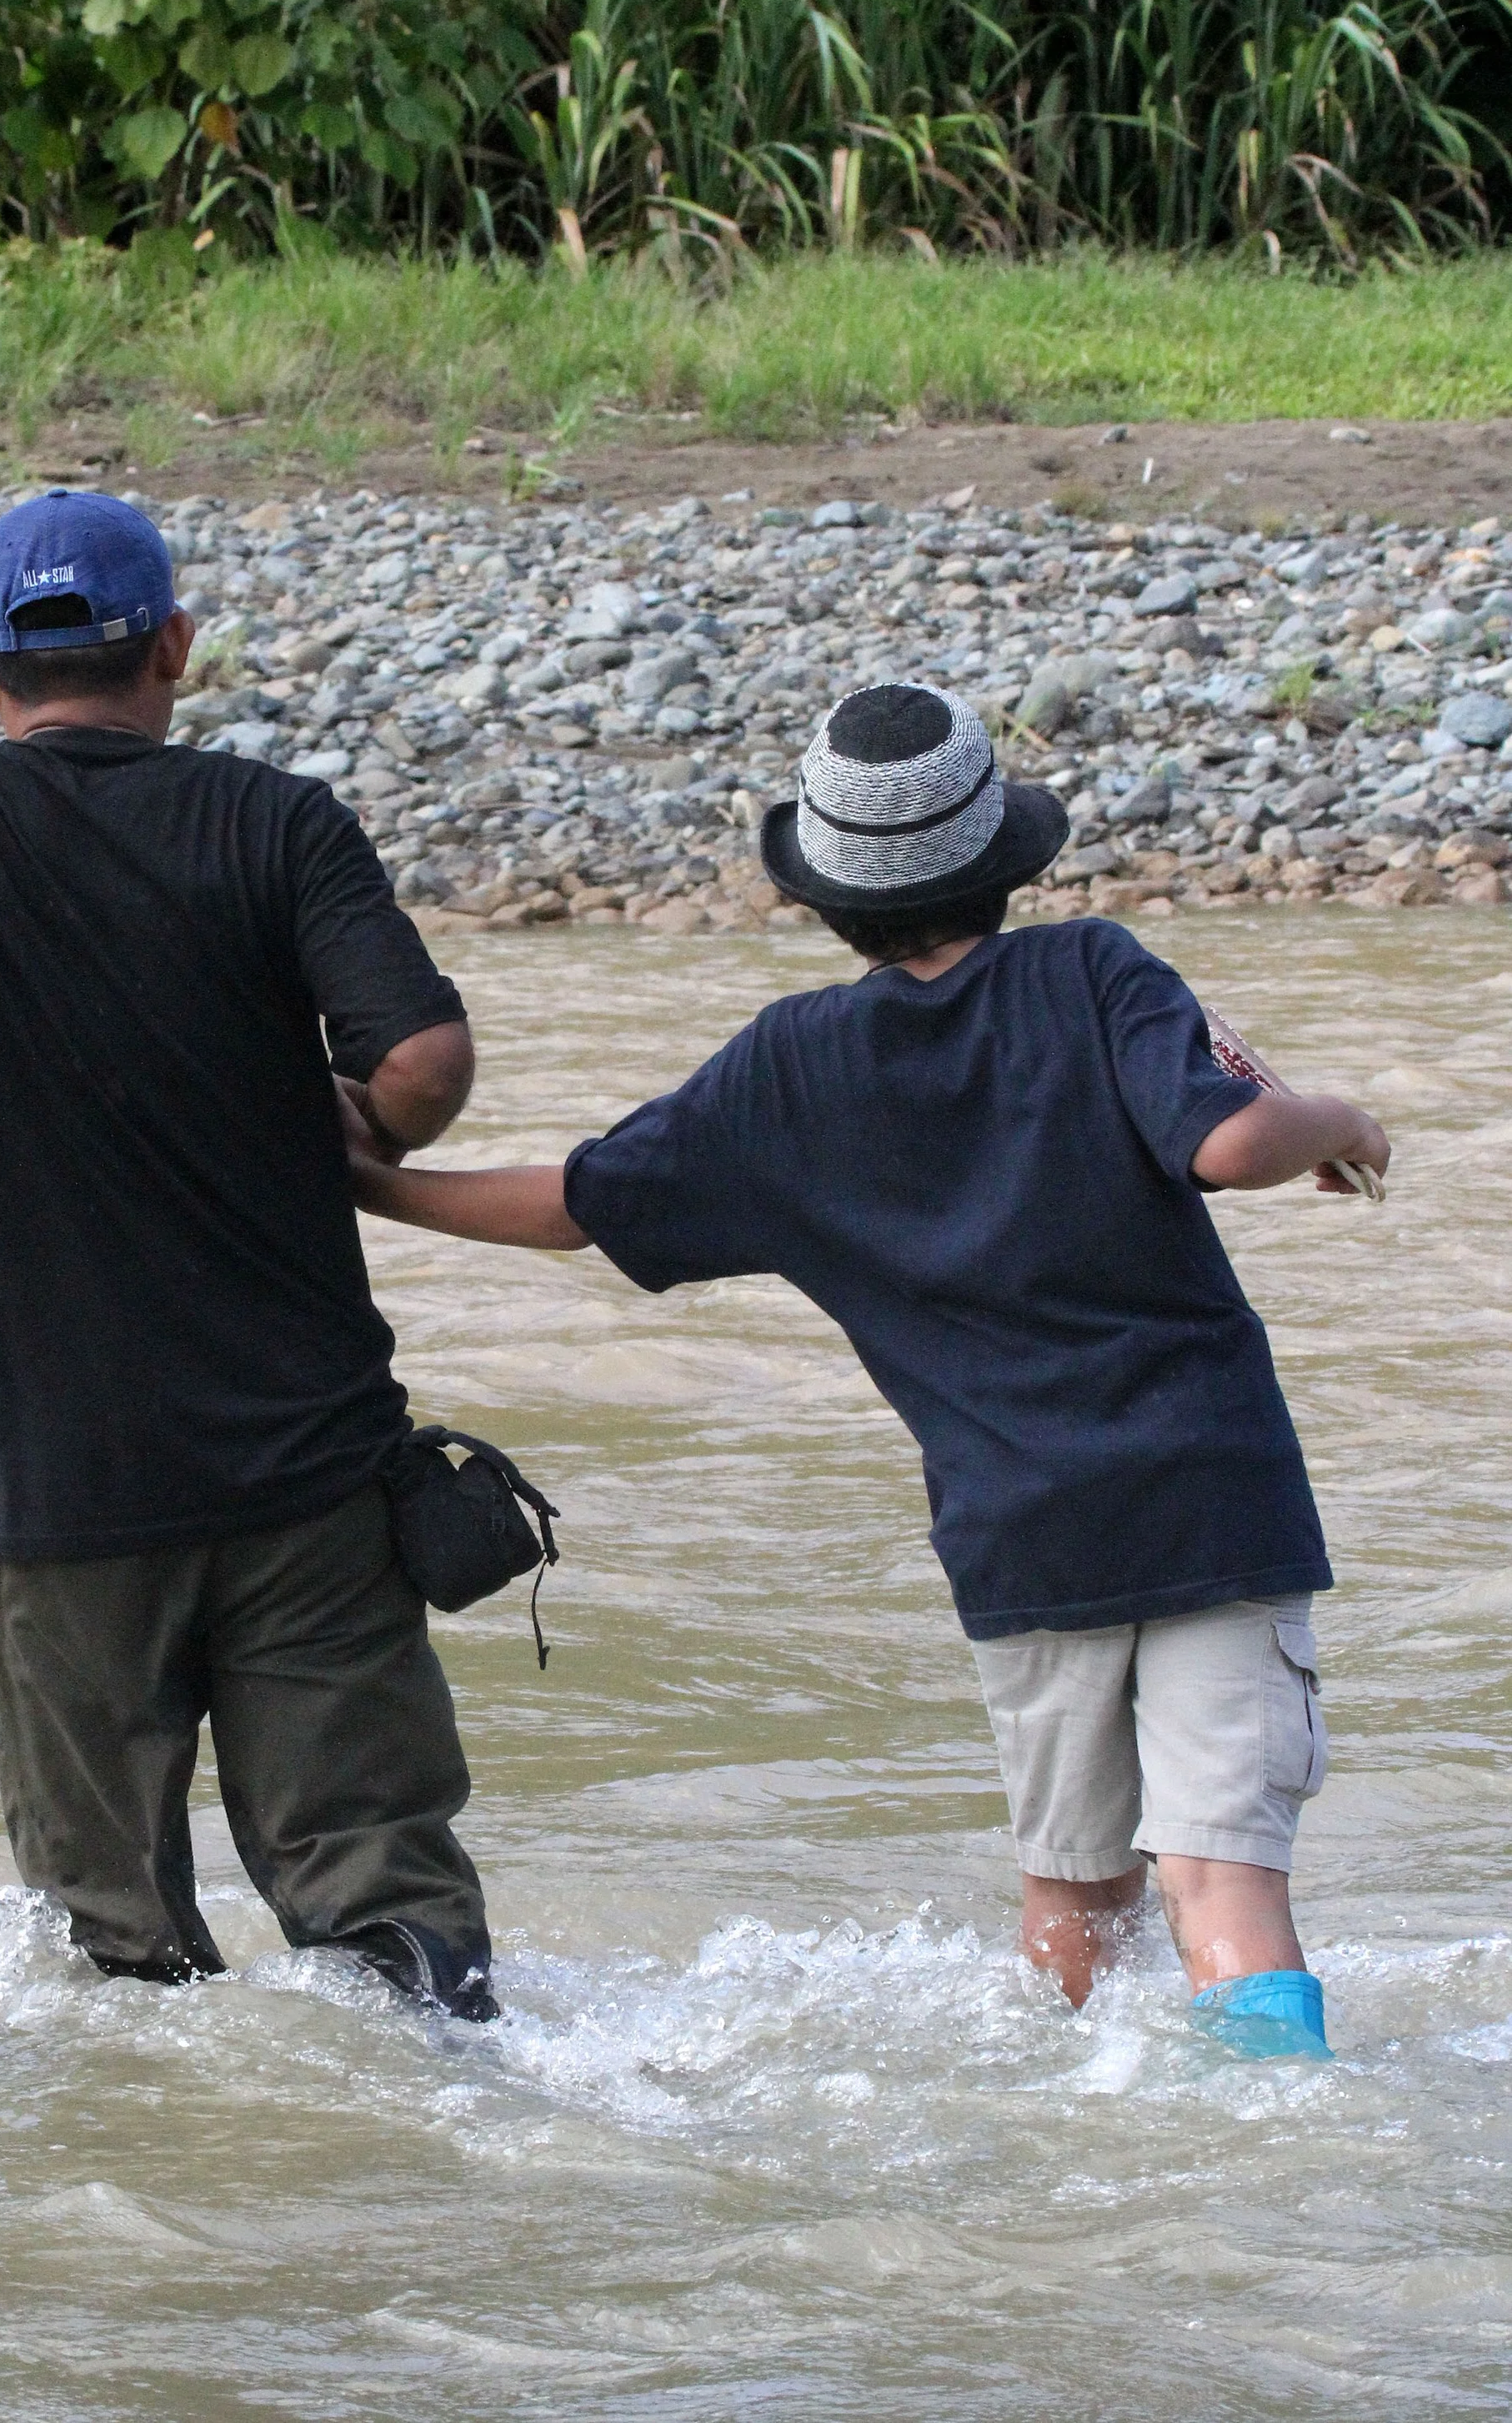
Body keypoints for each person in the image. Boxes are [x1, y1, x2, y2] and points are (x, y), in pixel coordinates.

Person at [340, 682, 1391, 2060]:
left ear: (826, 894)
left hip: (1022, 1540)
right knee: (1223, 1885)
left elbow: (577, 1204)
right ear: (1008, 856)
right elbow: (1228, 1146)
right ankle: (1274, 2186)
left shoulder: (792, 1069)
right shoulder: (1093, 972)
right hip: (1213, 1503)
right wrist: (1345, 1119)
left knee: (1074, 1897)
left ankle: (1065, 2149)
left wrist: (370, 1186)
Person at [0, 489, 501, 2020]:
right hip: (313, 1480)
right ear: (175, 648)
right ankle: (422, 2205)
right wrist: (374, 1115)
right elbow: (427, 1061)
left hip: (68, 1495)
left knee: (102, 1955)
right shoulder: (278, 820)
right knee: (388, 1913)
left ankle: (145, 2227)